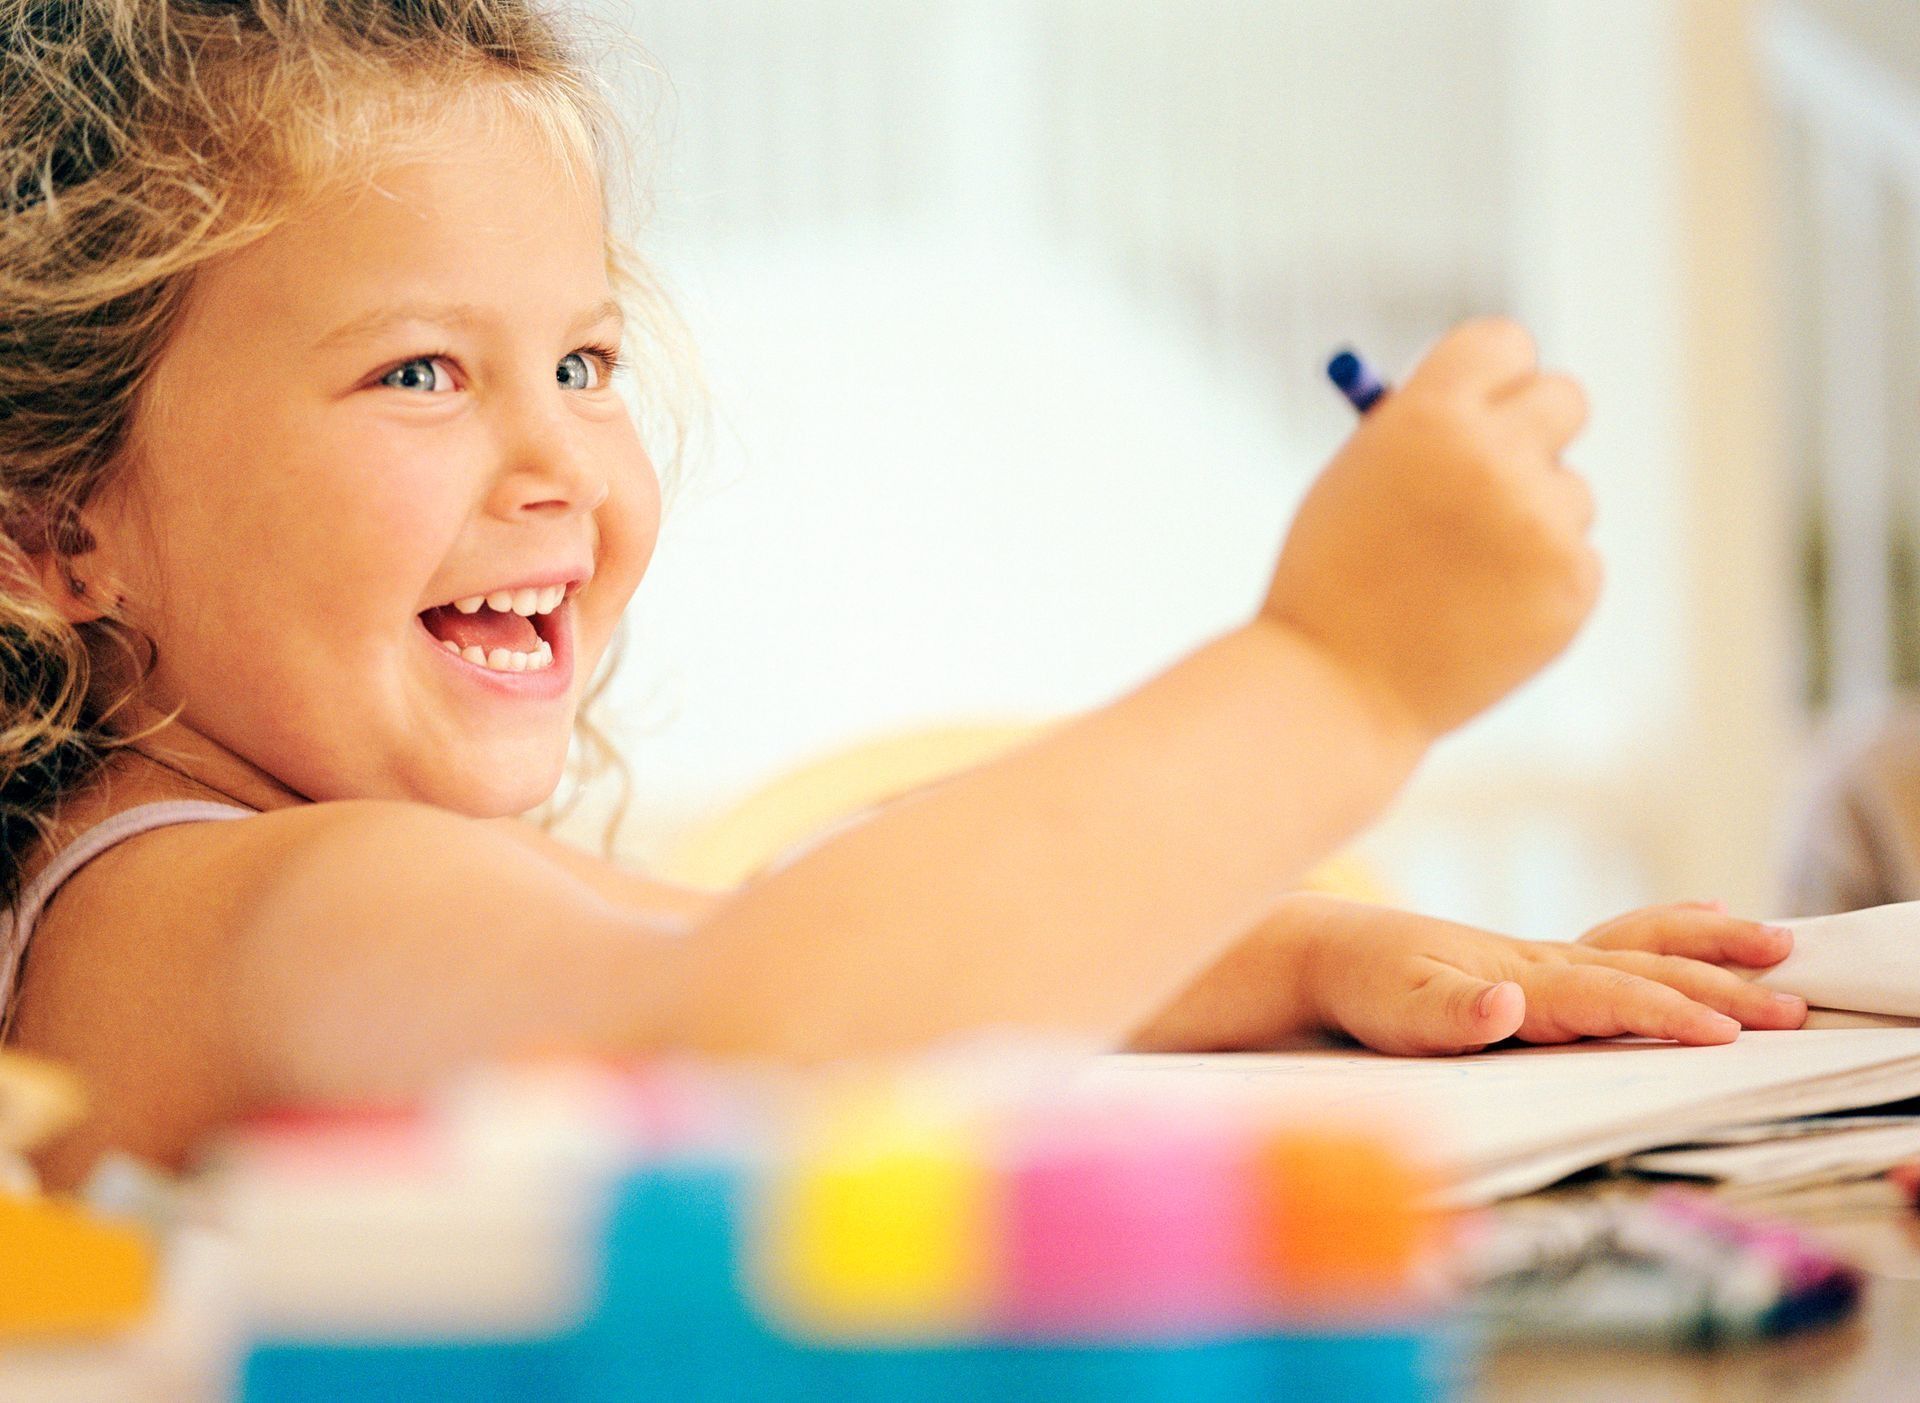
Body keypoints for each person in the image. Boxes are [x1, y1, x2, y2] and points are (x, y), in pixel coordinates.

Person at [0, 0, 1805, 1186]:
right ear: (57, 522)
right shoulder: (244, 904)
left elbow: (726, 941)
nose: (556, 459)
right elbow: (757, 1034)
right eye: (418, 373)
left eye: (586, 360)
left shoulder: (261, 858)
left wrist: (1299, 954)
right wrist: (1343, 675)